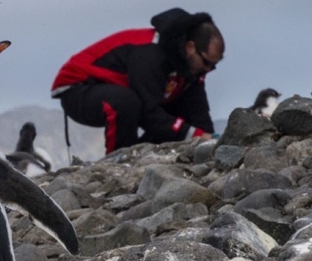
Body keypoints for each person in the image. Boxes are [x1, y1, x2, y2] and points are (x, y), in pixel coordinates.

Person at [51, 8, 223, 154]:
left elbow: (197, 110)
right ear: (190, 47)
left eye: (214, 65)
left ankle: (146, 156)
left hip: (120, 89)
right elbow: (149, 111)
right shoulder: (150, 54)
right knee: (128, 102)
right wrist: (194, 135)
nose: (208, 69)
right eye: (207, 63)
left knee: (175, 111)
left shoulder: (190, 68)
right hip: (76, 89)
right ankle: (120, 160)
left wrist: (211, 142)